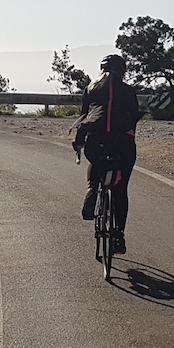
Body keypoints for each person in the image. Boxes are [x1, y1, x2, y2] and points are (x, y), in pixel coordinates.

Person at [71, 54, 141, 254]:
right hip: (122, 145)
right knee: (120, 189)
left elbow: (84, 116)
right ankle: (118, 234)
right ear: (123, 71)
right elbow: (133, 118)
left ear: (102, 69)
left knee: (96, 162)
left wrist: (78, 142)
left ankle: (92, 190)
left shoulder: (91, 88)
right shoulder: (128, 91)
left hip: (96, 141)